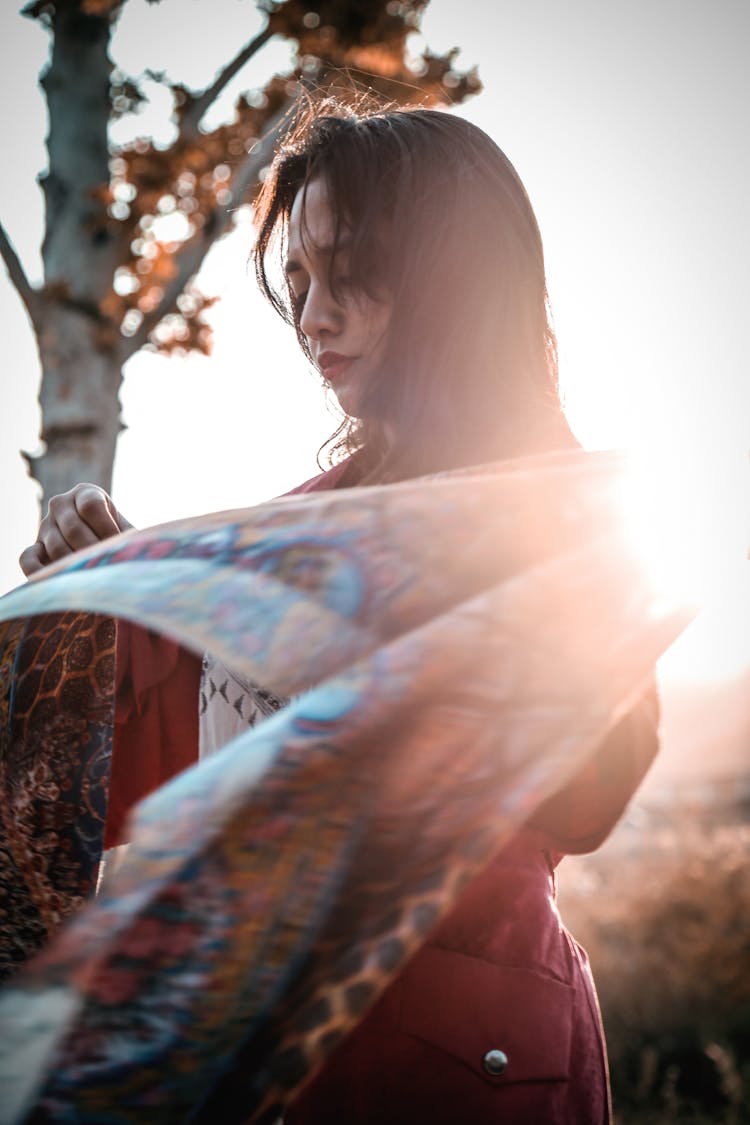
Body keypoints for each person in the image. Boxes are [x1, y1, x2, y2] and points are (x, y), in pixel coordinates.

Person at [19, 104, 659, 1123]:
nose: (314, 317)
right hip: (277, 1060)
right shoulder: (302, 525)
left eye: (347, 272)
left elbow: (588, 794)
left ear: (450, 275)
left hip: (472, 1063)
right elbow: (168, 760)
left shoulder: (550, 507)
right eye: (300, 285)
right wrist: (110, 603)